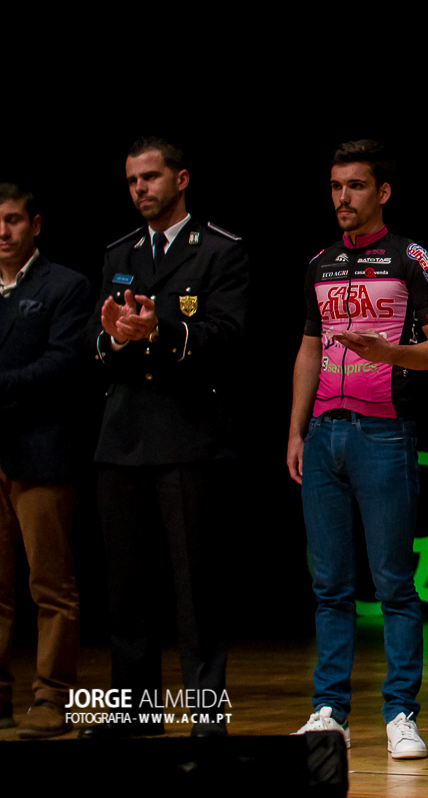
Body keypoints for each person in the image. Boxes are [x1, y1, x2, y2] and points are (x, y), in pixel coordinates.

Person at [287, 140, 428, 760]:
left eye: (355, 186)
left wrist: (390, 353)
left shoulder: (411, 258)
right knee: (329, 585)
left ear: (382, 192)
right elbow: (309, 348)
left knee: (393, 585)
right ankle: (328, 710)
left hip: (384, 433)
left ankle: (401, 713)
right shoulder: (319, 262)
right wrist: (295, 431)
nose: (343, 198)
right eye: (335, 186)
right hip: (323, 435)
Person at [84, 137, 249, 737]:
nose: (140, 189)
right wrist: (119, 336)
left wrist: (160, 331)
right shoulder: (120, 252)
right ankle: (136, 712)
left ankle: (205, 715)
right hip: (123, 436)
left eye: (150, 177)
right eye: (132, 180)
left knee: (197, 589)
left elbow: (229, 336)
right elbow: (97, 343)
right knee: (126, 590)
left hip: (190, 436)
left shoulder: (221, 249)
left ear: (181, 179)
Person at [0, 183, 88, 738]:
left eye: (12, 219)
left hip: (42, 453)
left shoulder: (65, 285)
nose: (2, 231)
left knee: (49, 585)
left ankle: (52, 697)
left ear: (34, 225)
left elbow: (63, 364)